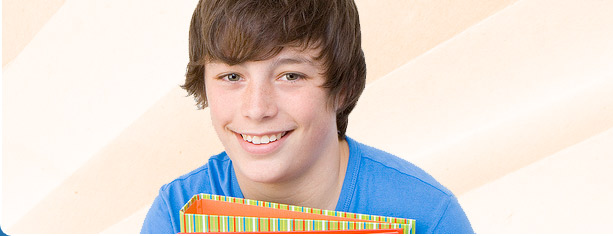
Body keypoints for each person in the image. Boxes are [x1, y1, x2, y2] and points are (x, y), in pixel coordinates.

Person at [140, 0, 474, 233]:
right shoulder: (175, 214)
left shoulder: (428, 215)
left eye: (290, 76)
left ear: (342, 87)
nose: (257, 109)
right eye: (232, 77)